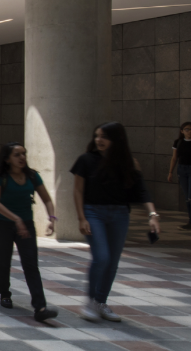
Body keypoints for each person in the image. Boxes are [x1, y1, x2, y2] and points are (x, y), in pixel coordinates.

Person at [71, 122, 159, 323]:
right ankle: (90, 302)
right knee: (101, 257)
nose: (99, 140)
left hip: (120, 214)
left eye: (104, 136)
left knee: (112, 261)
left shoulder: (129, 163)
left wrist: (153, 215)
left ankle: (101, 302)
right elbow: (77, 191)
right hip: (93, 212)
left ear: (117, 139)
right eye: (97, 136)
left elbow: (142, 191)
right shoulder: (86, 160)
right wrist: (81, 217)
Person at [0, 143, 58, 322]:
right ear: (7, 159)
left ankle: (40, 307)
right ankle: (5, 294)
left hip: (26, 224)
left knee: (31, 263)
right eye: (17, 154)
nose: (22, 158)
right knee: (4, 259)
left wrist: (51, 217)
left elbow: (47, 199)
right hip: (1, 223)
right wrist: (15, 219)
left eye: (24, 154)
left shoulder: (32, 176)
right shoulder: (0, 177)